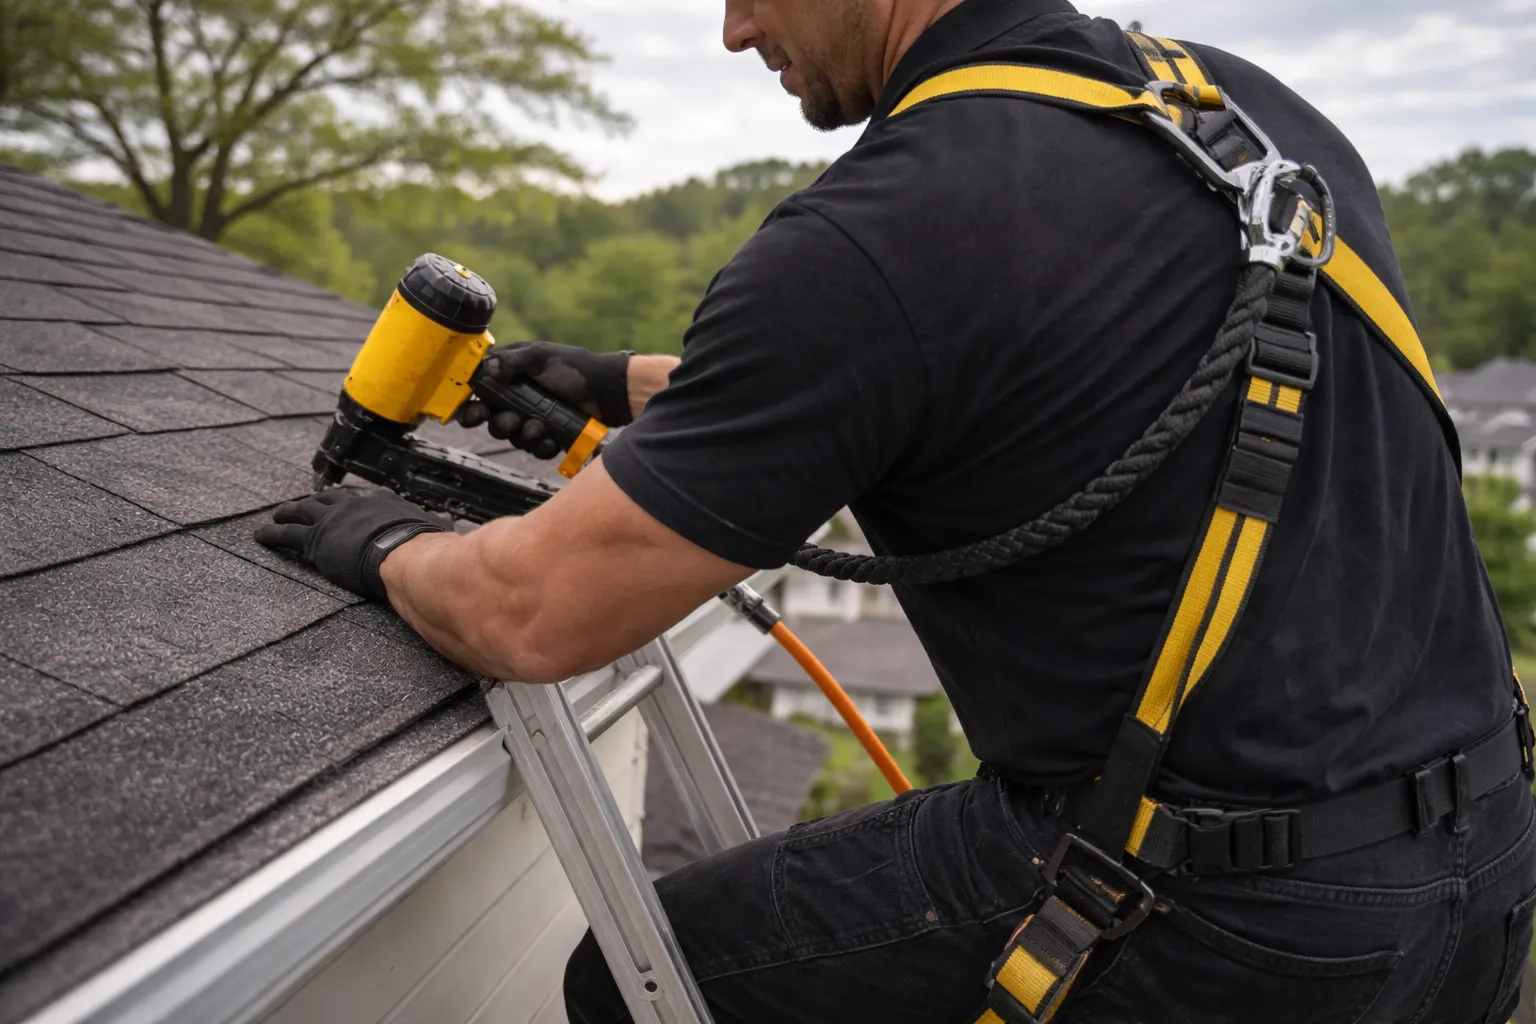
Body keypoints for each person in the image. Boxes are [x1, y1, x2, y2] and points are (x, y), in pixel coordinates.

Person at [257, 1, 1536, 1021]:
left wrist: (383, 543)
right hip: (1485, 868)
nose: (732, 31)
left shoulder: (878, 232)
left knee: (648, 970)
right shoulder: (1246, 112)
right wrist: (622, 385)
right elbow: (1010, 357)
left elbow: (530, 613)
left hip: (1210, 922)